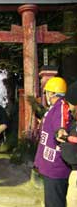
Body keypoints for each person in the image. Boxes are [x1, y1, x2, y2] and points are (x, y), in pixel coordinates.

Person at [33, 77, 71, 207]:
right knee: (51, 202)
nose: (46, 95)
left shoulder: (60, 107)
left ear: (52, 93)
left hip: (55, 167)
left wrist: (60, 131)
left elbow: (60, 126)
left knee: (55, 203)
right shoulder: (54, 107)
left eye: (46, 92)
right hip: (49, 166)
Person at [55, 81, 77, 207]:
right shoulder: (74, 119)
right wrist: (61, 133)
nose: (67, 105)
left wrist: (69, 138)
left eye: (69, 101)